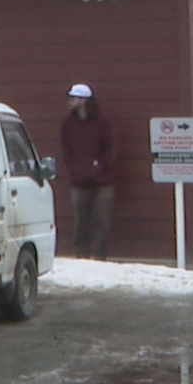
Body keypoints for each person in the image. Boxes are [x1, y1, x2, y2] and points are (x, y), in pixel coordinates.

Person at [60, 83, 117, 259]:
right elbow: (65, 149)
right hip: (78, 181)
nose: (70, 101)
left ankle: (100, 256)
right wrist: (75, 168)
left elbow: (111, 149)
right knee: (80, 220)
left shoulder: (103, 121)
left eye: (74, 98)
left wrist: (99, 166)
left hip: (102, 181)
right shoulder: (68, 123)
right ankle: (82, 254)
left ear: (84, 100)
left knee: (102, 220)